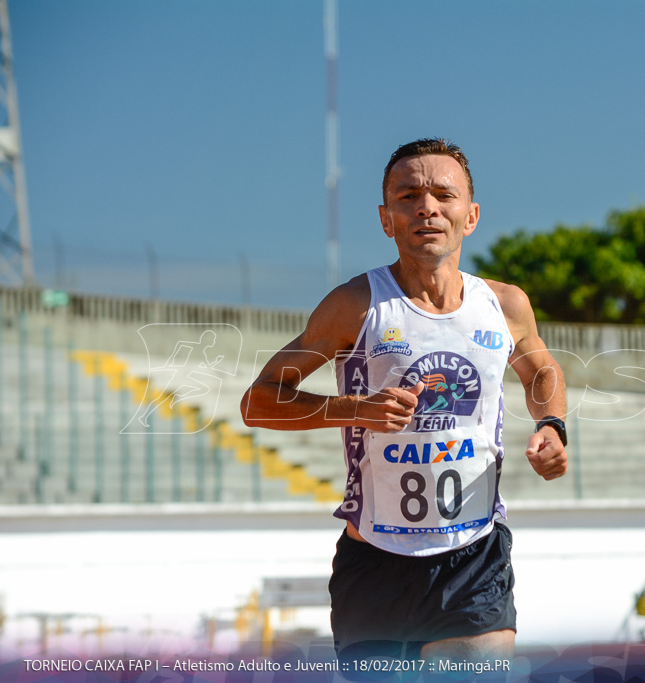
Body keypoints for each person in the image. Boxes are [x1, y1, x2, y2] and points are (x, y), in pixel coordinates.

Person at [241, 138, 569, 661]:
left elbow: (541, 370)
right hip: (375, 561)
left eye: (444, 194)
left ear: (472, 215)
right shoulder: (355, 304)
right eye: (408, 195)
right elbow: (258, 402)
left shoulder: (504, 304)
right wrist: (354, 410)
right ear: (386, 218)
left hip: (474, 557)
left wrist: (552, 426)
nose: (427, 207)